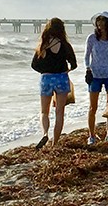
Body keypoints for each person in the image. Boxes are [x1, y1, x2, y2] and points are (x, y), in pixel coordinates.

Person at [31, 18, 78, 149]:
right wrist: (65, 70)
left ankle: (45, 133)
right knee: (59, 113)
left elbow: (34, 65)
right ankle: (55, 142)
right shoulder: (65, 45)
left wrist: (45, 71)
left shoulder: (43, 45)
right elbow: (74, 64)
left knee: (44, 112)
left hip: (46, 79)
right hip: (62, 79)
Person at [84, 12, 108, 145]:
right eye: (98, 22)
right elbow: (86, 56)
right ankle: (91, 135)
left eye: (102, 22)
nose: (100, 25)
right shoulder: (92, 38)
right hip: (95, 75)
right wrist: (88, 68)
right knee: (92, 107)